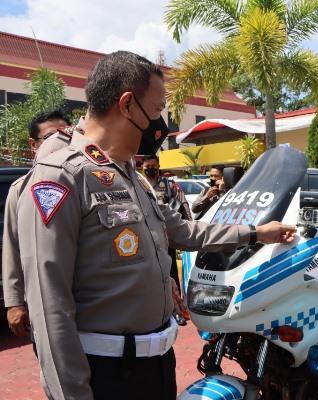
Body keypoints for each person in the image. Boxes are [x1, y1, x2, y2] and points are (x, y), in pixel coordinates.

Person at [16, 50, 296, 400]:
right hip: (107, 376)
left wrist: (256, 233)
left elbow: (185, 231)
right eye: (158, 109)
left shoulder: (131, 177)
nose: (161, 125)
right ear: (128, 105)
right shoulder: (62, 177)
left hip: (157, 366)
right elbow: (49, 307)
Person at [2, 110, 71, 338]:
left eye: (66, 135)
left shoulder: (87, 181)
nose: (61, 142)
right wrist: (14, 302)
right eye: (51, 137)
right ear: (34, 144)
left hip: (86, 297)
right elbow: (12, 246)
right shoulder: (21, 189)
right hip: (45, 300)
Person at [141, 154, 192, 326]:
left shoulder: (169, 185)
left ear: (158, 166)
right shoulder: (139, 183)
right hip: (146, 235)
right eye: (147, 166)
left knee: (171, 274)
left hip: (166, 235)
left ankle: (177, 311)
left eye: (153, 166)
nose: (150, 169)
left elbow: (183, 203)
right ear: (142, 168)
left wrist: (188, 226)